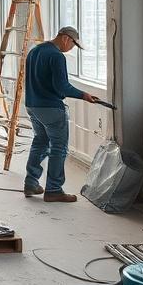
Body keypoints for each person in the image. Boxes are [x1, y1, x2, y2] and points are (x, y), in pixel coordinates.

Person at [23, 26, 99, 203]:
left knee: (40, 142)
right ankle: (54, 190)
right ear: (66, 38)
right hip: (50, 108)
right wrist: (84, 95)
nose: (71, 48)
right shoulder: (57, 56)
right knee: (59, 148)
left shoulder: (35, 51)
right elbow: (62, 87)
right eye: (73, 44)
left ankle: (31, 183)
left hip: (32, 106)